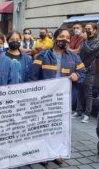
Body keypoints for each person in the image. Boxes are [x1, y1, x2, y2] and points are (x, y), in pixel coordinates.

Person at [27, 28, 86, 165]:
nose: (64, 39)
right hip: (45, 99)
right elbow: (32, 77)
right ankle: (43, 153)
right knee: (44, 126)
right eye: (61, 36)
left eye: (67, 37)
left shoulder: (74, 57)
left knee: (60, 126)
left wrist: (77, 75)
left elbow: (83, 72)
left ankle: (56, 152)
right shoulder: (42, 56)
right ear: (54, 38)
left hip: (64, 100)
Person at [73, 23, 99, 123]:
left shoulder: (97, 41)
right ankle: (78, 111)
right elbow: (80, 51)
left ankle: (87, 114)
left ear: (94, 30)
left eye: (89, 29)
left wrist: (84, 40)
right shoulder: (83, 41)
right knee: (79, 90)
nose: (87, 31)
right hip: (80, 68)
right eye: (86, 29)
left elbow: (89, 51)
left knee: (88, 93)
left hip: (89, 69)